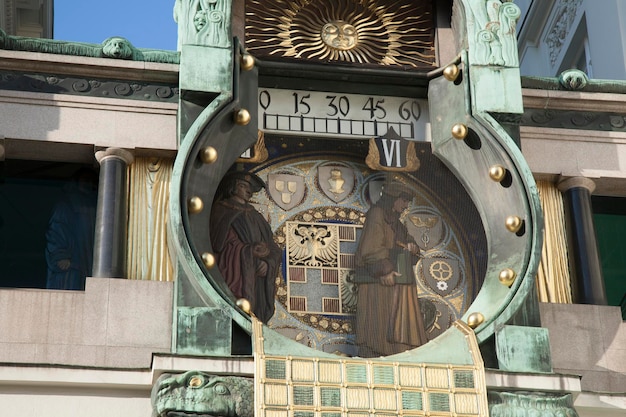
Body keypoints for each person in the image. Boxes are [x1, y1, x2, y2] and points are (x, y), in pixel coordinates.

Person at [354, 180, 428, 357]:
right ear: (393, 198)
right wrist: (385, 270)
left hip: (397, 280)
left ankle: (399, 351)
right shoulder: (377, 214)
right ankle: (382, 352)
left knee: (396, 320)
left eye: (407, 202)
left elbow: (406, 239)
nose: (405, 205)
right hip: (379, 282)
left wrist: (412, 246)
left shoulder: (396, 222)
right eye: (403, 201)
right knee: (381, 323)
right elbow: (370, 248)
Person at [210, 171, 281, 322]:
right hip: (234, 275)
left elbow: (272, 247)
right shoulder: (222, 211)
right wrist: (249, 253)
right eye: (243, 186)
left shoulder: (255, 216)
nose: (248, 191)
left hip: (256, 282)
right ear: (232, 188)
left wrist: (267, 264)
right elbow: (221, 245)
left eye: (250, 188)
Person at [45, 168, 98, 290]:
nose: (89, 185)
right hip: (71, 265)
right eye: (85, 180)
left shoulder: (97, 206)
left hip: (88, 261)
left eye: (92, 182)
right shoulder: (66, 204)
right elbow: (56, 229)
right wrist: (60, 255)